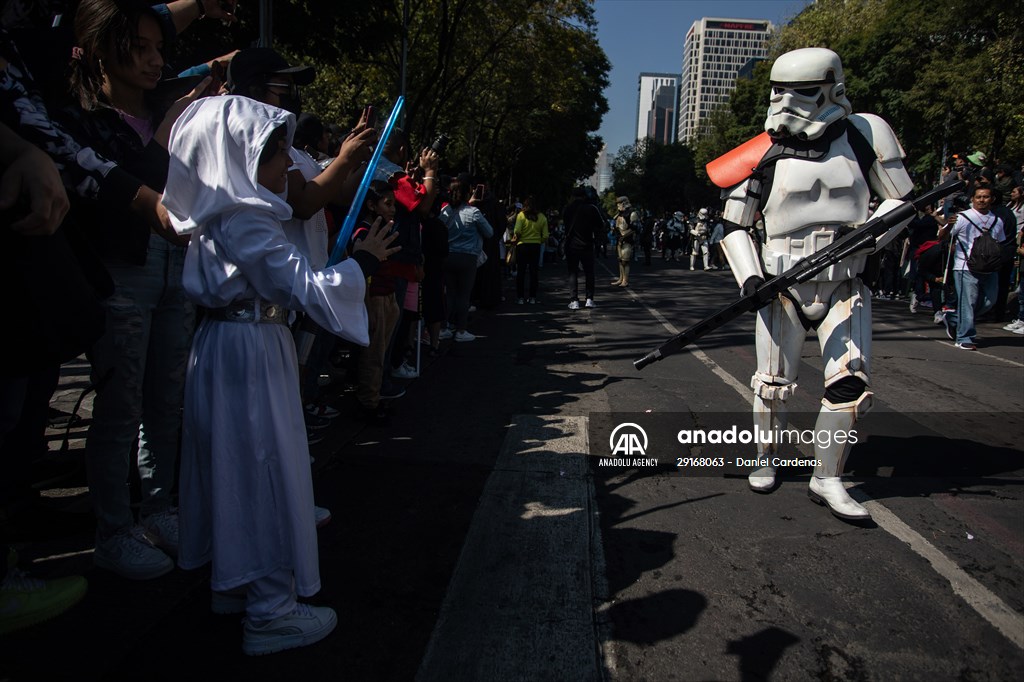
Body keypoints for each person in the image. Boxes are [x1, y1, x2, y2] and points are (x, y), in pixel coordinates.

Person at [164, 95, 398, 655]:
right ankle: (270, 608)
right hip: (249, 350)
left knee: (233, 465)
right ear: (241, 159)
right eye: (275, 155)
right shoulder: (245, 220)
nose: (288, 168)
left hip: (227, 346)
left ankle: (239, 584)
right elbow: (304, 289)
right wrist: (362, 262)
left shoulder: (225, 214)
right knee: (265, 467)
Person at [712, 47, 916, 522]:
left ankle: (827, 476)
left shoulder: (867, 135)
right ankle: (764, 457)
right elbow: (735, 225)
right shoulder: (760, 149)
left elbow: (902, 201)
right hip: (781, 284)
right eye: (778, 91)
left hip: (846, 283)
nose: (786, 102)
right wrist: (750, 279)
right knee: (772, 385)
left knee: (850, 386)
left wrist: (865, 238)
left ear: (832, 89)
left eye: (800, 92)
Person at [62, 0, 217, 579]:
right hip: (120, 270)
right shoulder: (80, 119)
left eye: (160, 49)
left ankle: (160, 509)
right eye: (142, 48)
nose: (155, 61)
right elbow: (117, 181)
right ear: (102, 49)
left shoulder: (164, 107)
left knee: (165, 399)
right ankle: (114, 528)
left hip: (177, 263)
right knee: (121, 405)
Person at [351, 180, 400, 423]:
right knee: (373, 353)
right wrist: (368, 304)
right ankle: (368, 402)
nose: (392, 209)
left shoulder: (383, 231)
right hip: (374, 298)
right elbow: (361, 271)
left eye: (394, 204)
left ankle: (374, 395)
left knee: (380, 350)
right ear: (371, 205)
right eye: (387, 203)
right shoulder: (362, 233)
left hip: (387, 295)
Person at [939, 186, 1006, 349]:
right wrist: (948, 225)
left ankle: (953, 318)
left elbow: (1000, 242)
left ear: (992, 199)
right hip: (965, 266)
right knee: (968, 303)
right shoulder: (962, 217)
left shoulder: (997, 220)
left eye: (986, 197)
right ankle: (964, 338)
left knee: (989, 302)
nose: (982, 200)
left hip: (990, 268)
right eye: (978, 197)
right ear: (973, 199)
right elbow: (942, 237)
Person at [440, 178, 493, 340]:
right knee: (464, 294)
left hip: (447, 256)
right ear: (467, 194)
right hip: (468, 257)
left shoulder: (445, 212)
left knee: (449, 293)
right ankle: (461, 330)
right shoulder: (474, 212)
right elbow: (489, 232)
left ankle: (443, 328)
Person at [563, 186, 604, 309]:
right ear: (585, 196)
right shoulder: (592, 208)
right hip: (587, 244)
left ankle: (574, 300)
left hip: (572, 245)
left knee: (573, 273)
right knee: (589, 272)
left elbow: (565, 226)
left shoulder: (567, 209)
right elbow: (600, 225)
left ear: (573, 196)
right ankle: (589, 299)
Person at [513, 196, 548, 303]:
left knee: (521, 272)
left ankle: (520, 298)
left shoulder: (521, 215)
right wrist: (539, 240)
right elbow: (546, 235)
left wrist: (516, 239)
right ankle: (532, 297)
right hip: (535, 246)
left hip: (522, 246)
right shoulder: (542, 217)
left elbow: (517, 231)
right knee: (534, 273)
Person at [610, 195, 635, 286]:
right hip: (619, 240)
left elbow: (635, 228)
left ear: (624, 203)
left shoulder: (632, 213)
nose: (618, 206)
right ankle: (621, 279)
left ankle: (625, 280)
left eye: (619, 204)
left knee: (625, 261)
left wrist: (624, 235)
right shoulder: (619, 214)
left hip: (627, 240)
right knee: (620, 260)